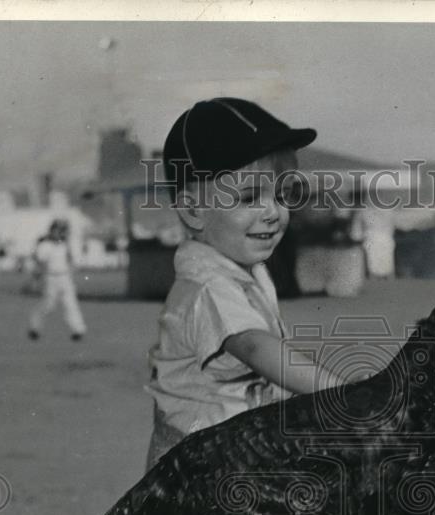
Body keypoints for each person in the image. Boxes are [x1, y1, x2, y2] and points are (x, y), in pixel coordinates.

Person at [146, 97, 356, 470]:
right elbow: (257, 349)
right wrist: (349, 398)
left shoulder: (244, 271)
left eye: (282, 195)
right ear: (194, 210)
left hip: (233, 455)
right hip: (198, 474)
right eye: (248, 197)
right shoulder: (207, 286)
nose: (273, 212)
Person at [27, 219, 87, 341]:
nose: (59, 233)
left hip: (65, 276)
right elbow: (39, 261)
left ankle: (78, 330)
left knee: (70, 303)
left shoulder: (66, 245)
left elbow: (73, 261)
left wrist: (69, 246)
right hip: (51, 277)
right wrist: (37, 276)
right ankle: (35, 327)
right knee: (49, 304)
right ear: (51, 231)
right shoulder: (45, 245)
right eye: (57, 230)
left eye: (62, 231)